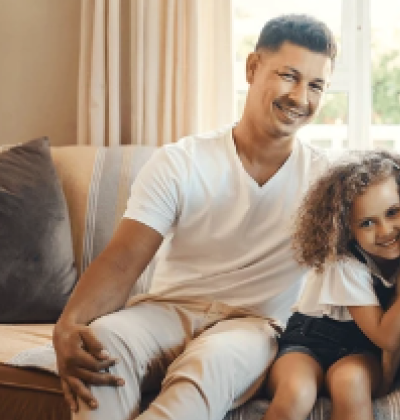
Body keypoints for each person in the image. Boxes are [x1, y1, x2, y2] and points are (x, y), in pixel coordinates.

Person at [52, 14, 337, 420]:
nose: (300, 96)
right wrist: (69, 324)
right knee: (103, 343)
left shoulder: (326, 182)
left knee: (208, 366)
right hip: (165, 310)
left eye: (316, 85)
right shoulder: (181, 161)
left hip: (252, 326)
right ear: (253, 68)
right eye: (289, 76)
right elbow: (122, 260)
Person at [262, 150, 400, 420]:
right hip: (308, 342)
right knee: (297, 391)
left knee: (351, 384)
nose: (385, 231)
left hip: (359, 351)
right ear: (345, 228)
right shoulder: (344, 264)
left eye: (392, 213)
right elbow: (387, 337)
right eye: (367, 223)